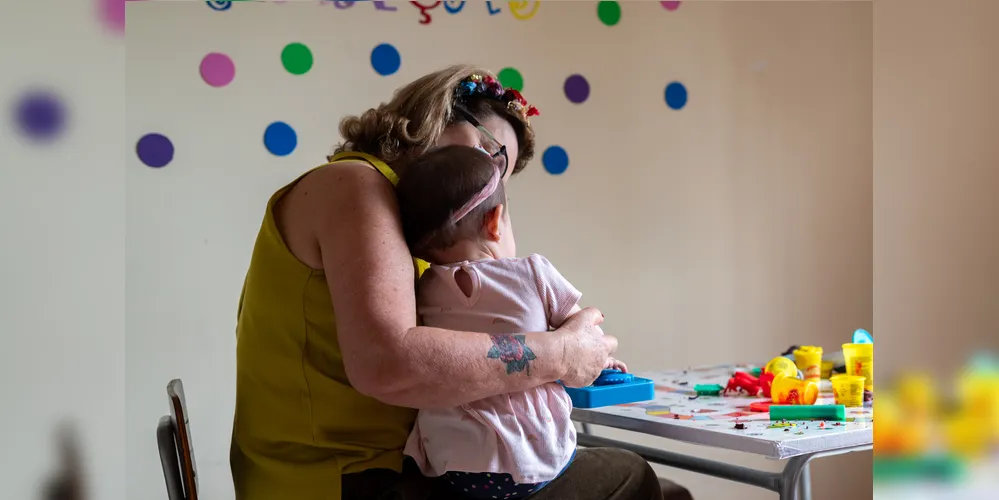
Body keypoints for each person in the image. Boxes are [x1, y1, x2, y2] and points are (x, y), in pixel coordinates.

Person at [229, 64, 693, 500]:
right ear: (436, 114)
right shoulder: (355, 185)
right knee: (632, 477)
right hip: (342, 480)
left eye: (499, 176)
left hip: (375, 469)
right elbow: (385, 362)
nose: (487, 179)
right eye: (491, 153)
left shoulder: (394, 219)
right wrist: (561, 354)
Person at [395, 144, 632, 499]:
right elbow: (581, 337)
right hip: (529, 461)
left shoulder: (425, 287)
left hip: (453, 464)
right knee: (627, 470)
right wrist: (605, 361)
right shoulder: (533, 272)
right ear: (495, 221)